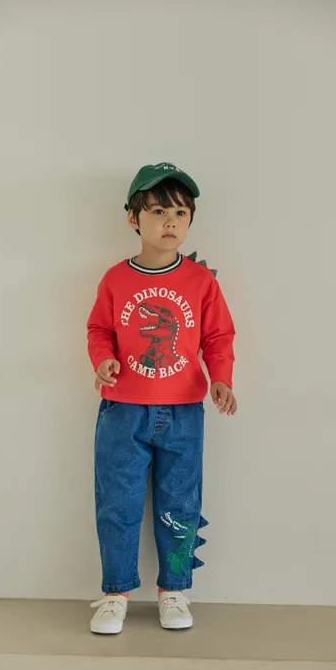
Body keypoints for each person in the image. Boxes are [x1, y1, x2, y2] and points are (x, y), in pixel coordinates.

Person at [87, 162, 236, 634]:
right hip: (122, 410)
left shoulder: (200, 282)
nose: (170, 222)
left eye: (180, 213)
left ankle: (174, 589)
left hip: (184, 411)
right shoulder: (115, 279)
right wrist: (103, 360)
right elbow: (99, 329)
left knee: (180, 503)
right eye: (157, 211)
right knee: (118, 502)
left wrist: (221, 378)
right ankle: (115, 594)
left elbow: (218, 335)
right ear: (133, 218)